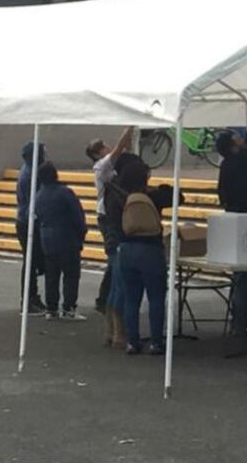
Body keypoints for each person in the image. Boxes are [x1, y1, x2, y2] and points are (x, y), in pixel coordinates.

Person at [105, 157, 182, 355]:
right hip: (151, 249)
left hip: (126, 249)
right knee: (156, 297)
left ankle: (132, 341)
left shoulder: (115, 195)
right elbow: (179, 198)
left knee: (131, 298)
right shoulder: (151, 196)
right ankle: (156, 341)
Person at [86, 127, 135, 314]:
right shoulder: (102, 166)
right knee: (115, 258)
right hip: (107, 216)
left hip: (111, 213)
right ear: (98, 153)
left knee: (114, 259)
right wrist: (130, 126)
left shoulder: (106, 165)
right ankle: (108, 300)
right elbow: (120, 147)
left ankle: (105, 298)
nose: (108, 147)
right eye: (104, 146)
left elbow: (124, 148)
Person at [34, 162, 88, 321]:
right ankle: (69, 308)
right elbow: (78, 216)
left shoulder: (39, 195)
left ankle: (51, 308)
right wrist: (81, 233)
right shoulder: (65, 193)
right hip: (68, 239)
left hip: (47, 240)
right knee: (71, 275)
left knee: (52, 276)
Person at [15, 141, 47, 314]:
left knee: (32, 261)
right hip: (28, 221)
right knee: (31, 262)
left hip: (25, 218)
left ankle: (32, 296)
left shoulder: (28, 171)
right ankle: (28, 299)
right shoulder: (31, 174)